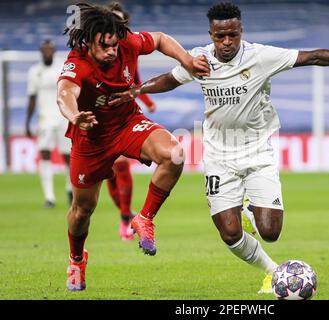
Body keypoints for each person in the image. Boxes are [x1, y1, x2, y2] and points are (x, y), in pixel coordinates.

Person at [109, 2, 329, 294]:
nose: (226, 42)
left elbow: (314, 56)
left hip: (257, 152)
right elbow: (170, 80)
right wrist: (138, 90)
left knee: (271, 232)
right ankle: (272, 271)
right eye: (219, 36)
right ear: (211, 34)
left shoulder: (261, 56)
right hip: (218, 156)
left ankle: (250, 210)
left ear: (240, 31)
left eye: (232, 36)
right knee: (230, 233)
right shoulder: (198, 59)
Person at [57, 2, 209, 291]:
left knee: (175, 154)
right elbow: (65, 93)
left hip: (128, 124)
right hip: (92, 138)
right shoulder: (77, 62)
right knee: (82, 210)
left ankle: (144, 219)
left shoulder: (125, 42)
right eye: (105, 46)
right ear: (88, 42)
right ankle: (76, 260)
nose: (113, 51)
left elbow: (161, 39)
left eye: (115, 45)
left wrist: (187, 60)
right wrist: (75, 116)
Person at [106, 2, 158, 241]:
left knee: (121, 165)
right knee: (108, 173)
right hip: (98, 120)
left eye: (119, 22)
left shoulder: (128, 50)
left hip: (123, 118)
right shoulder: (94, 51)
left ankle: (126, 216)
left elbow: (134, 80)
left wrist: (146, 101)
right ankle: (124, 213)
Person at [26, 39, 73, 209]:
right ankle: (49, 197)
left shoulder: (63, 67)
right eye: (44, 49)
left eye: (50, 49)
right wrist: (27, 122)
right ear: (40, 51)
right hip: (44, 119)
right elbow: (31, 97)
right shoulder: (34, 71)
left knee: (67, 156)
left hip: (63, 117)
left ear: (54, 51)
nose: (47, 52)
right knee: (44, 154)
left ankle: (70, 190)